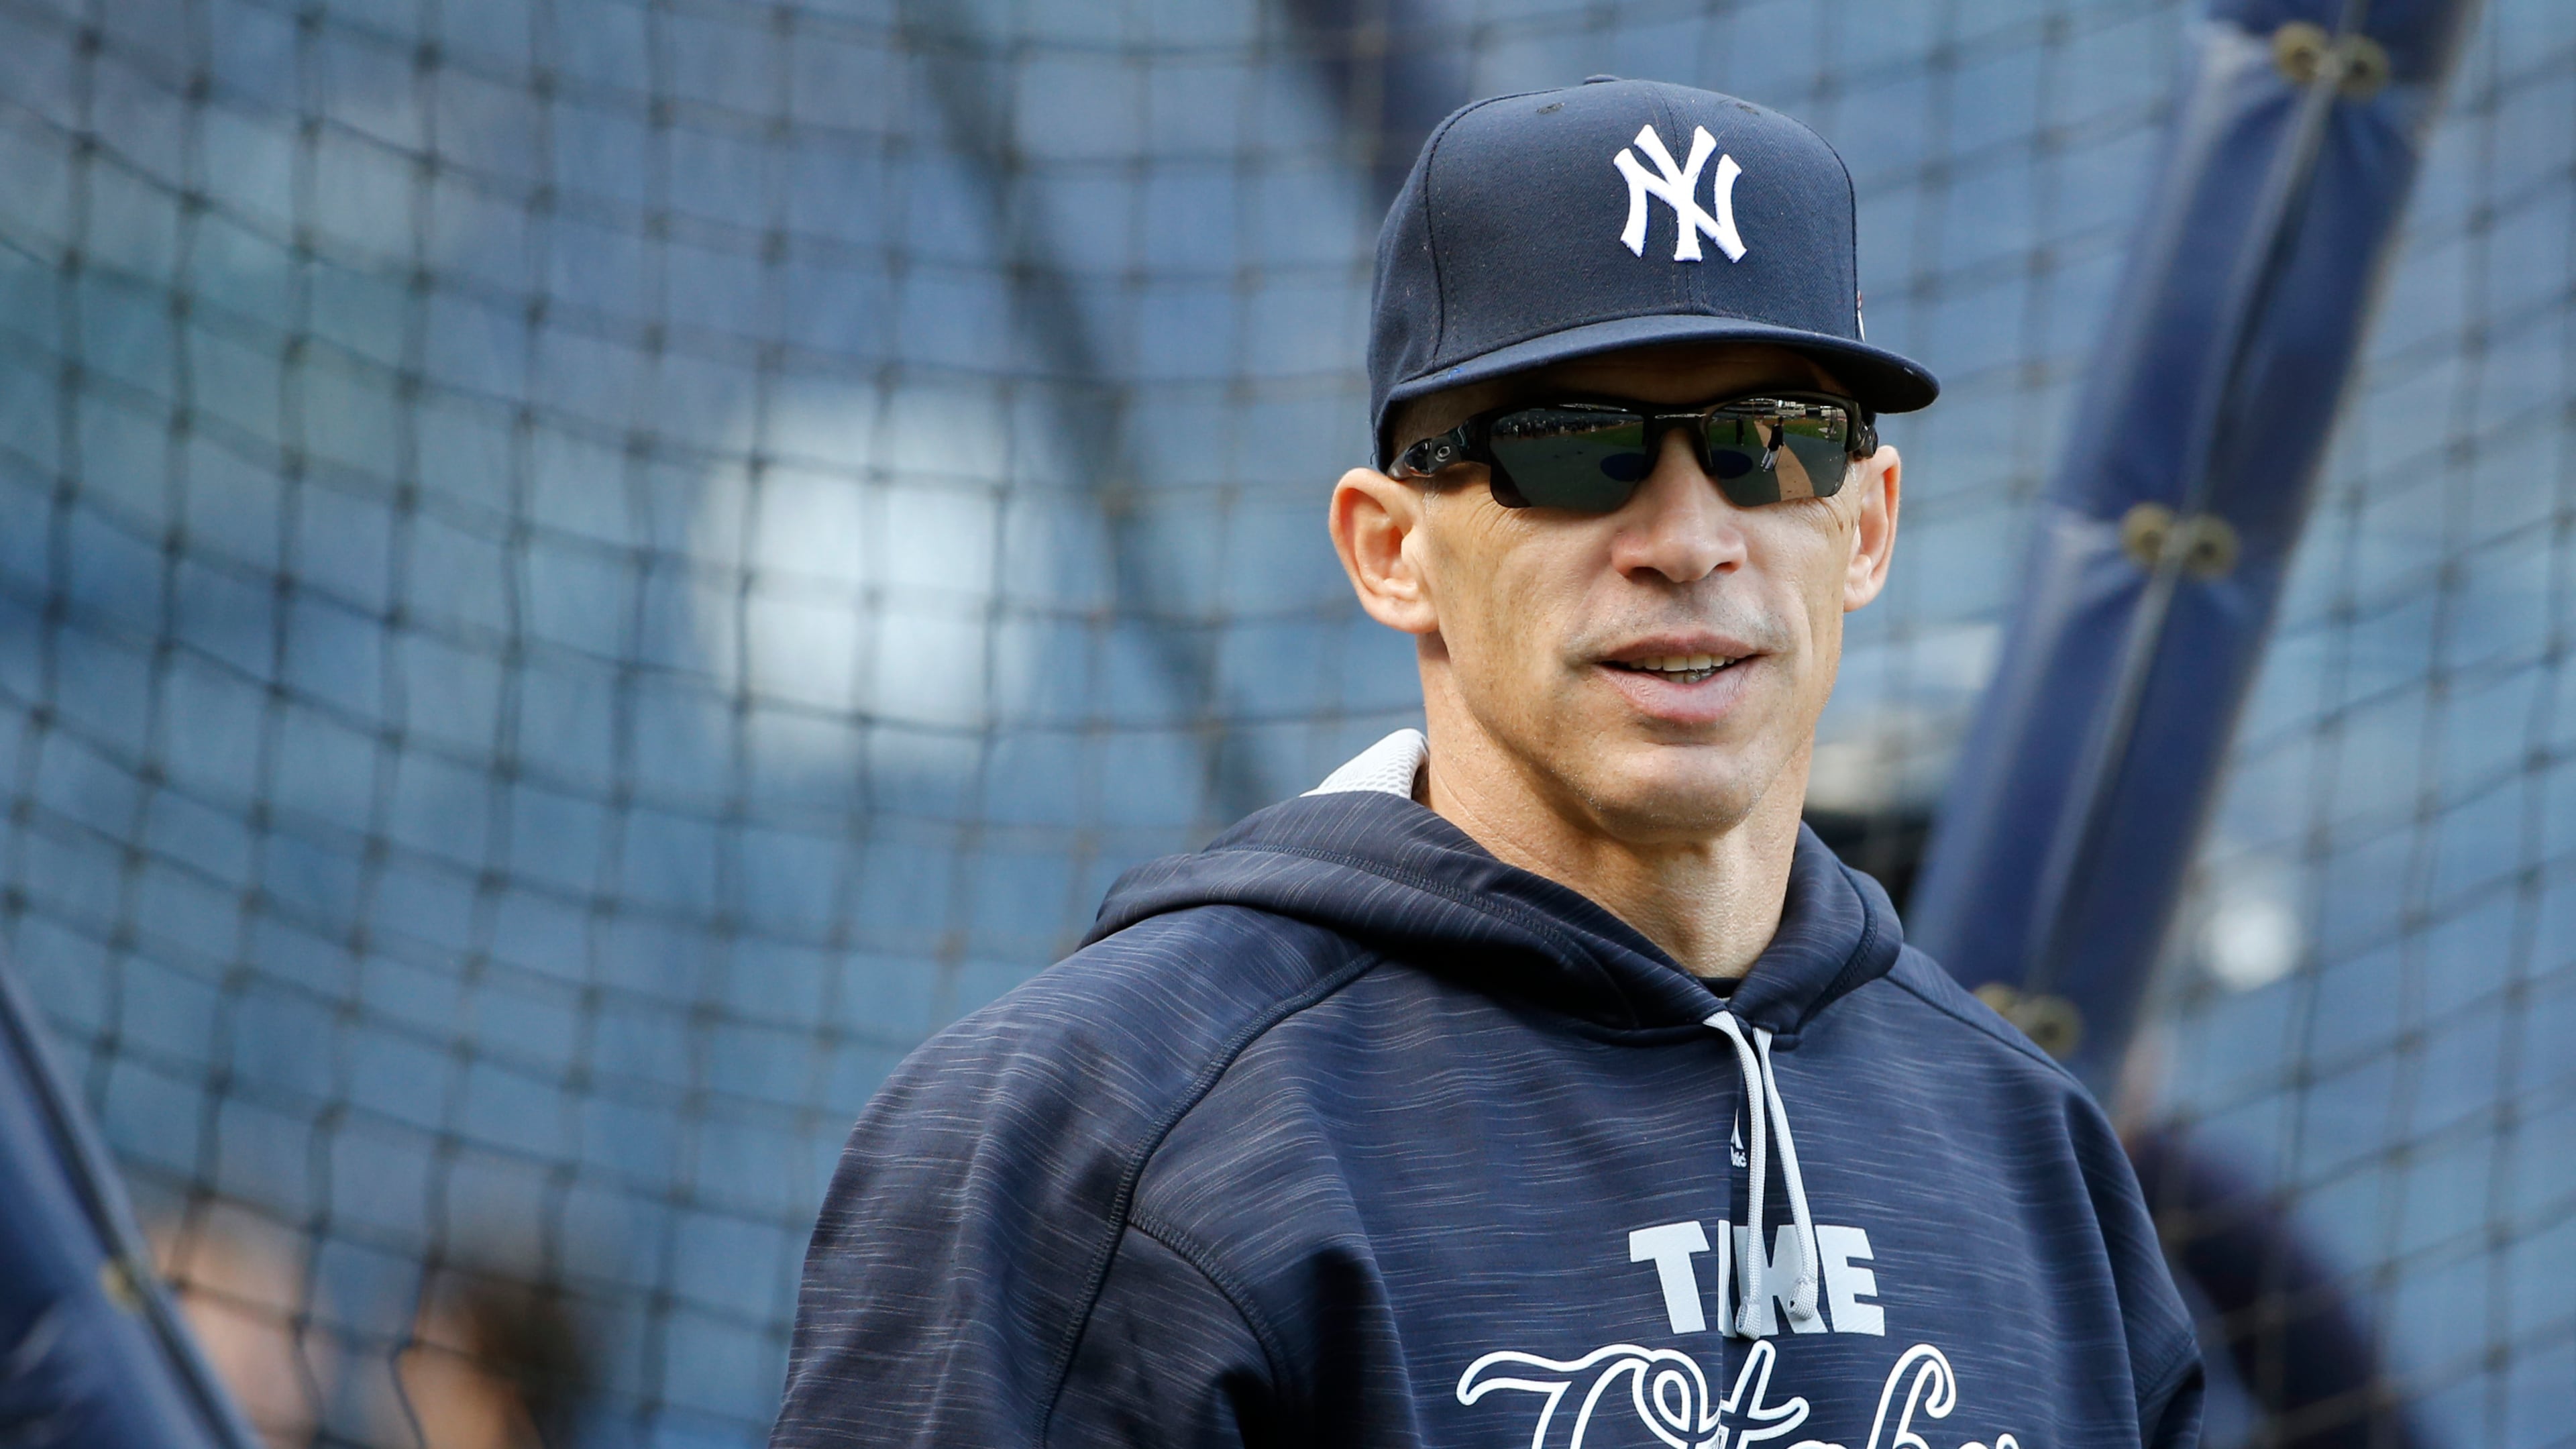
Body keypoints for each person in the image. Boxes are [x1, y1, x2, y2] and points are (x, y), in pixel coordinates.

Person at [771, 77, 2203, 1449]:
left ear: (1867, 527)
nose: (1690, 539)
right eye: (1575, 449)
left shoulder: (2028, 1154)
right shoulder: (1095, 1127)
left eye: (1772, 445)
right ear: (1391, 549)